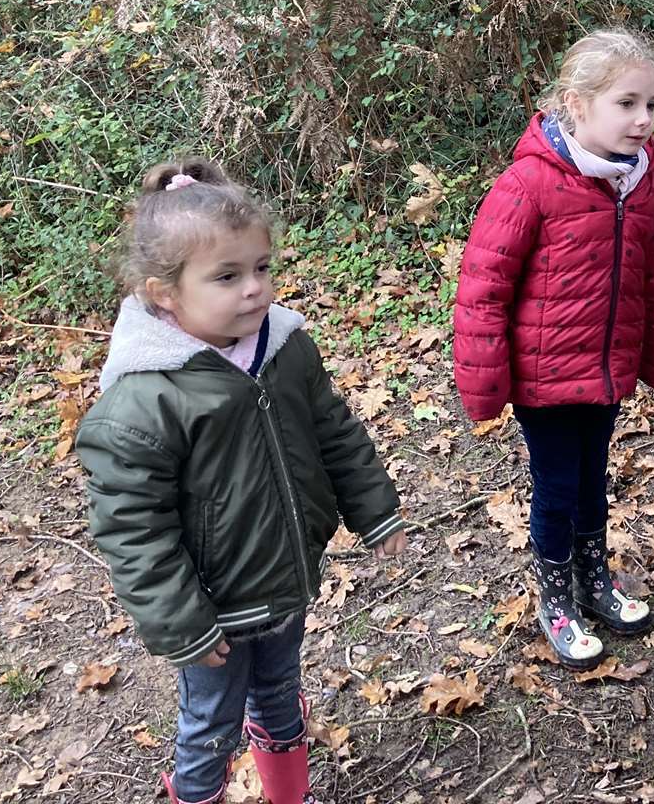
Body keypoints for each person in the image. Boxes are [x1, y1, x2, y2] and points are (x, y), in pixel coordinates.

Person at [76, 159, 406, 804]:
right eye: (226, 276)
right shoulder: (145, 400)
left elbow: (334, 431)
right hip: (213, 609)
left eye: (261, 267)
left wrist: (375, 509)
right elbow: (133, 530)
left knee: (279, 690)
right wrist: (183, 624)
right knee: (209, 727)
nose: (254, 289)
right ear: (164, 293)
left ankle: (289, 792)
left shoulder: (284, 348)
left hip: (284, 576)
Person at [453, 29, 654, 669]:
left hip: (606, 369)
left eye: (651, 104)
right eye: (626, 103)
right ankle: (557, 597)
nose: (643, 119)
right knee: (557, 485)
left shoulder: (645, 182)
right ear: (576, 105)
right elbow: (483, 289)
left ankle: (594, 578)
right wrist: (486, 387)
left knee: (592, 478)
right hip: (545, 377)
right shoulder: (529, 184)